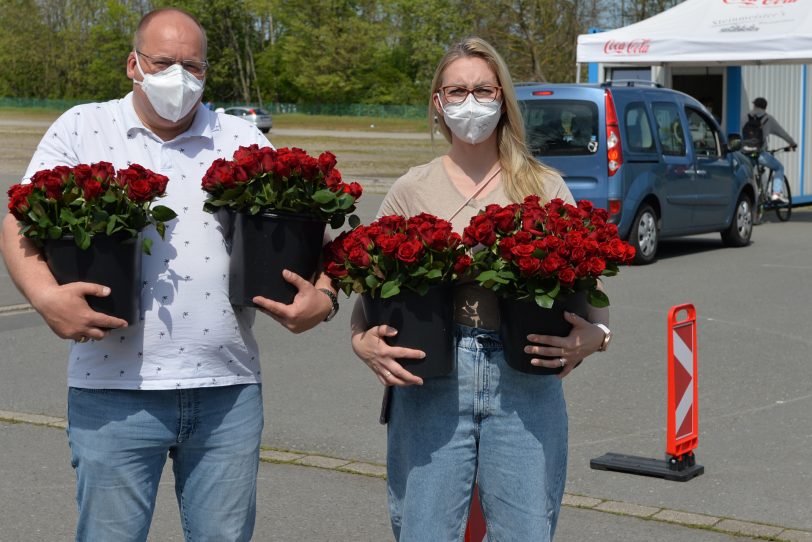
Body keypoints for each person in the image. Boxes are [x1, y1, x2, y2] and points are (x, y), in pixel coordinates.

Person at [0, 8, 337, 541]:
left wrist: (325, 295)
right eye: (163, 62)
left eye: (193, 66)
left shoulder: (239, 137)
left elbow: (313, 235)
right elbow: (20, 223)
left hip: (227, 391)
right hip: (112, 390)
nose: (179, 77)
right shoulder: (83, 126)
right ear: (133, 64)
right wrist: (44, 297)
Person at [350, 37, 611, 541]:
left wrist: (596, 336)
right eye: (457, 91)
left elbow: (592, 293)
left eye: (483, 90)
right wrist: (361, 339)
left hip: (525, 383)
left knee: (525, 532)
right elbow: (369, 292)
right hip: (431, 382)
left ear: (503, 99)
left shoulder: (543, 186)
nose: (471, 103)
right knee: (424, 531)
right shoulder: (411, 189)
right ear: (438, 103)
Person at [744, 97, 797, 203]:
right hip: (760, 154)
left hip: (745, 153)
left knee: (747, 175)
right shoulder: (768, 119)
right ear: (765, 107)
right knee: (779, 168)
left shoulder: (745, 116)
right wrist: (792, 143)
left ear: (754, 105)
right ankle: (776, 193)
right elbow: (782, 133)